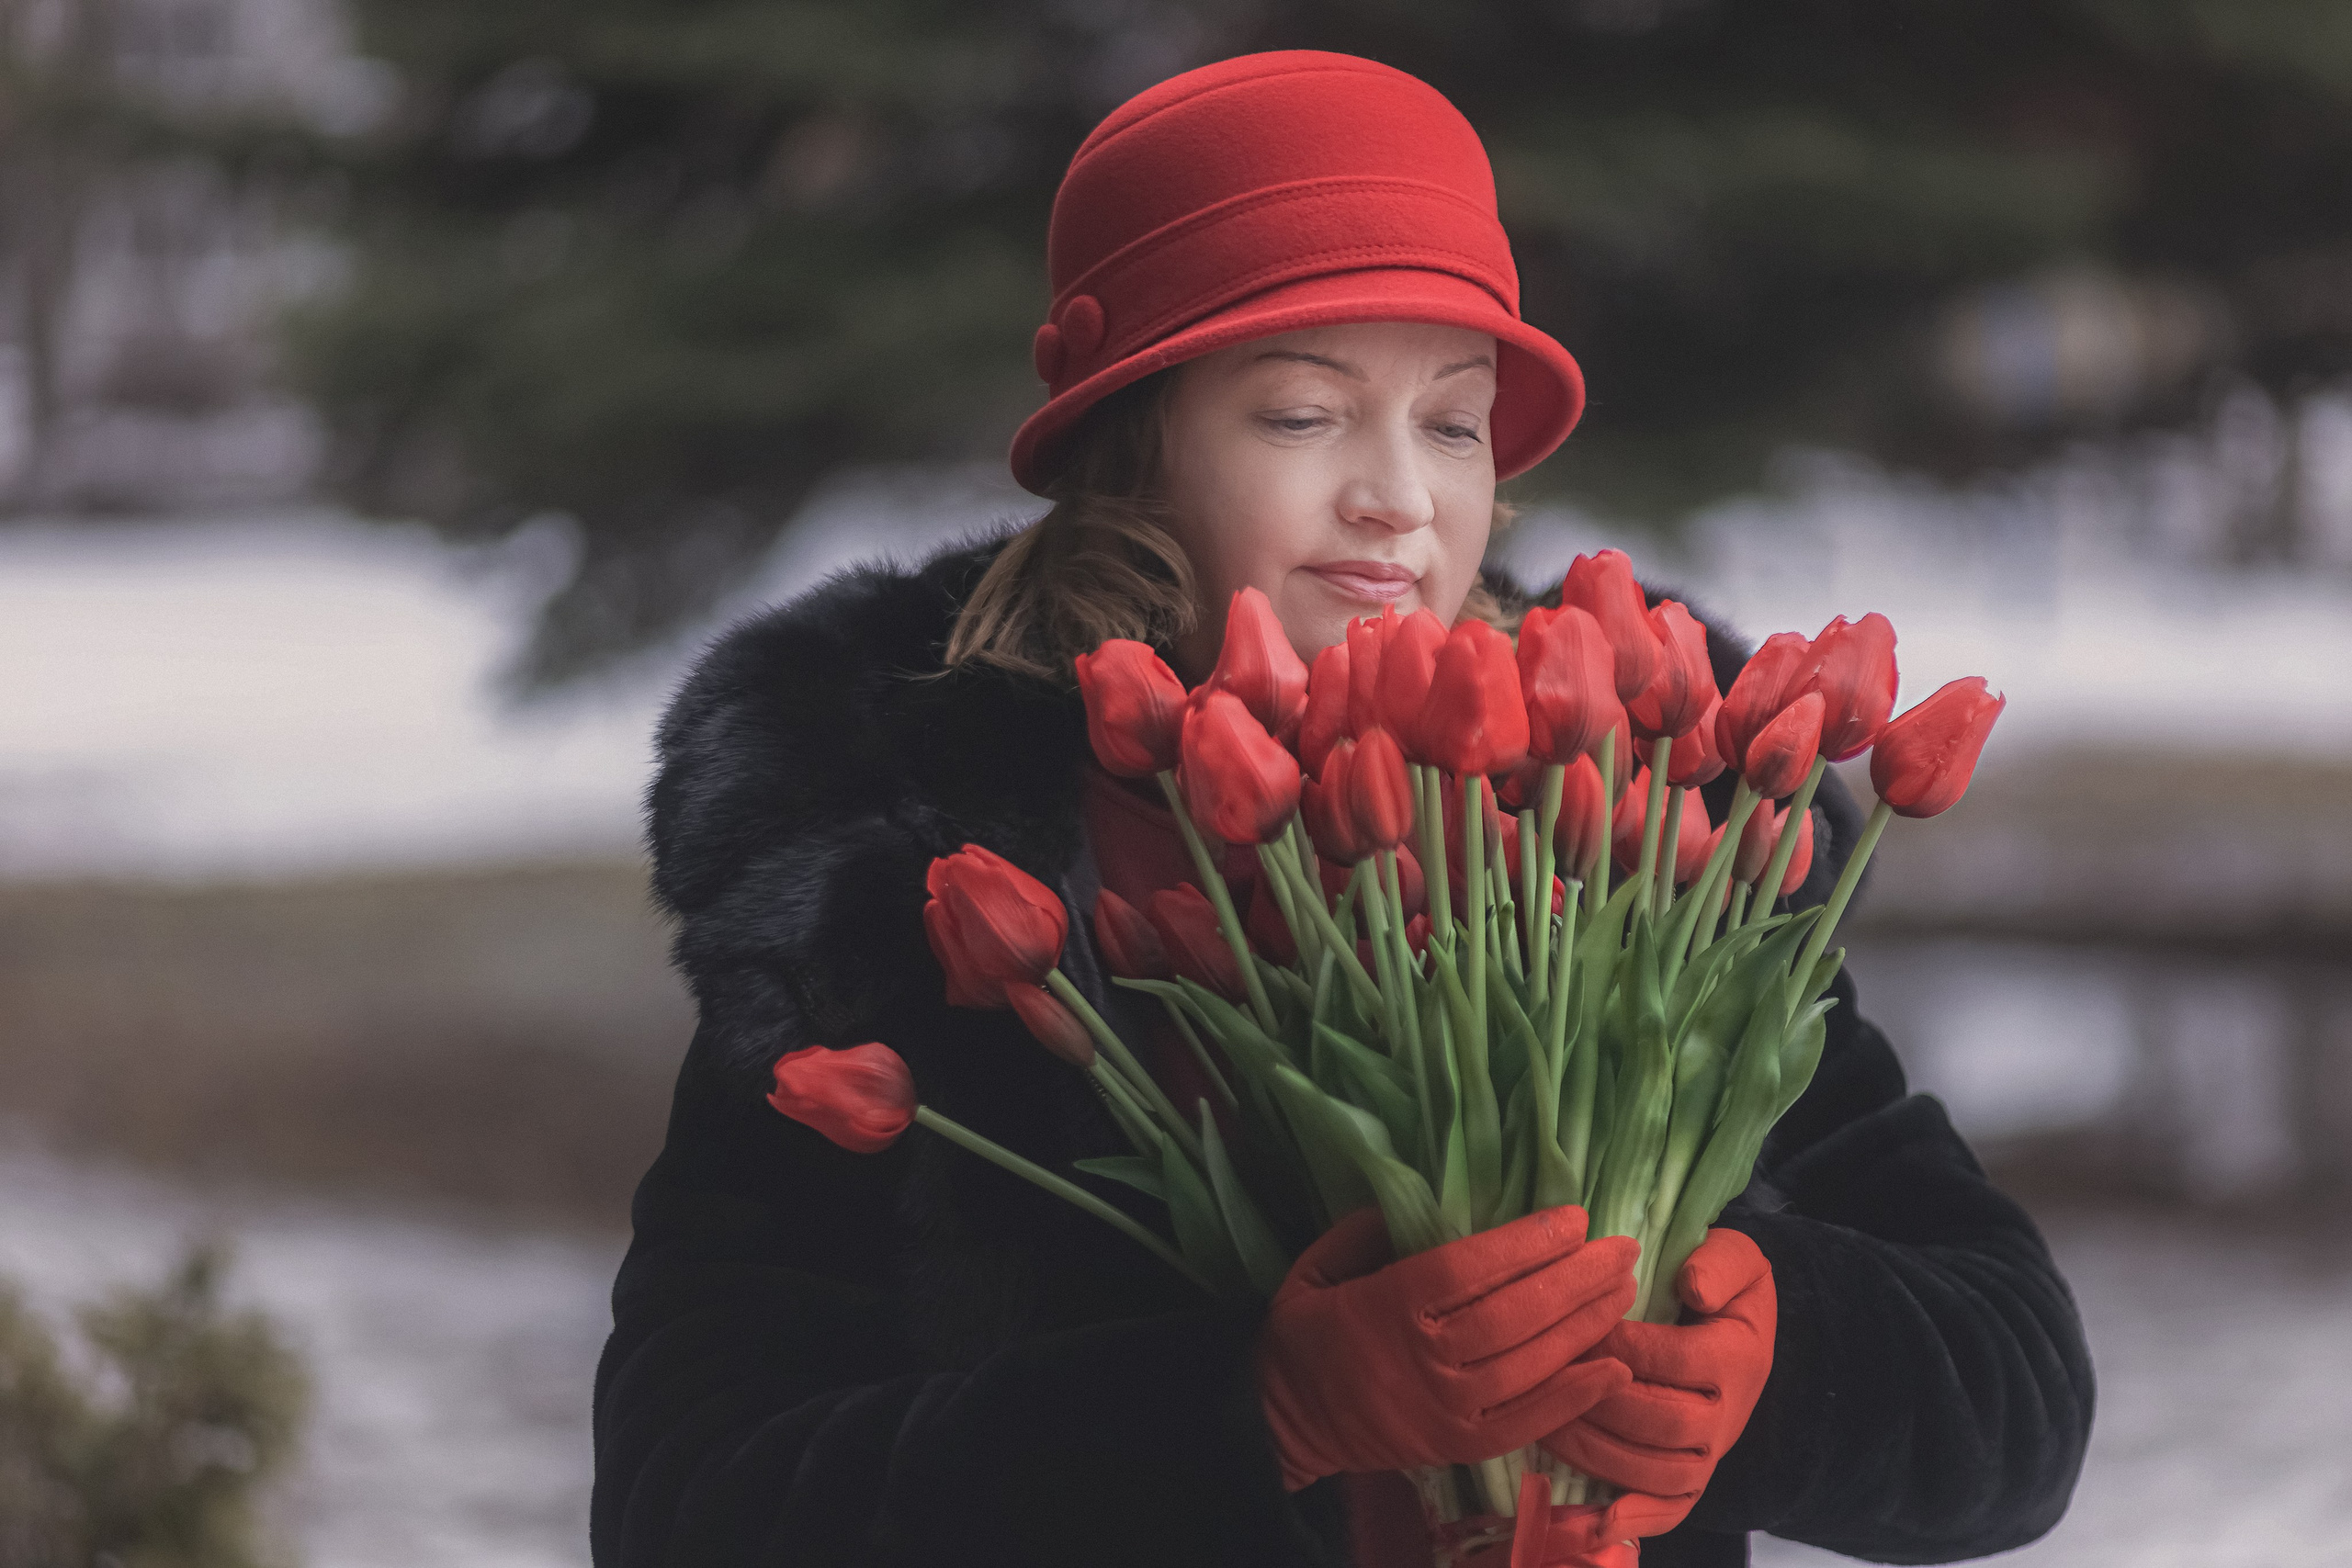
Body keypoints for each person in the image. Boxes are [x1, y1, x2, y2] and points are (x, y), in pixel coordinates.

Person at [591, 51, 2093, 1568]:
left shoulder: (1646, 820)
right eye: (1305, 415)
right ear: (1135, 450)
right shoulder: (894, 870)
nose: (1401, 498)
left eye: (1452, 423)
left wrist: (1779, 1361)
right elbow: (693, 1508)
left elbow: (2017, 1399)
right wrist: (1251, 1417)